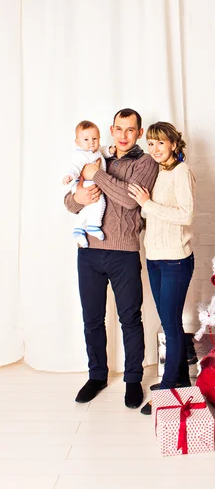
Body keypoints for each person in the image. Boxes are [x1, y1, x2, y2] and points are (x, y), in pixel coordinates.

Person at [64, 108, 159, 408]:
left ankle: (133, 380)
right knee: (92, 319)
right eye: (118, 129)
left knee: (130, 318)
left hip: (123, 253)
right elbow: (71, 198)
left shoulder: (145, 162)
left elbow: (130, 201)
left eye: (130, 130)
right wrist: (78, 198)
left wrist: (97, 175)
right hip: (88, 252)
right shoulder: (95, 156)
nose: (123, 135)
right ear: (111, 129)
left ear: (139, 133)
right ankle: (97, 375)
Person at [128, 122, 195, 415]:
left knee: (171, 324)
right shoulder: (159, 172)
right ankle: (179, 379)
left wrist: (147, 203)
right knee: (168, 320)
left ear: (173, 144)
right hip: (154, 257)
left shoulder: (181, 172)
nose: (155, 149)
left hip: (176, 260)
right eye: (151, 144)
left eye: (161, 143)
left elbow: (186, 215)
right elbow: (150, 213)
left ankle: (167, 388)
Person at [63, 120, 116, 247]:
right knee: (99, 203)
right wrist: (70, 176)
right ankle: (93, 225)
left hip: (91, 183)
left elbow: (102, 151)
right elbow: (75, 167)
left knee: (87, 209)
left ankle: (78, 229)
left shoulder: (95, 151)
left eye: (95, 138)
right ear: (78, 142)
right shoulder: (81, 155)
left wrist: (110, 150)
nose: (91, 142)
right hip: (85, 185)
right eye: (86, 139)